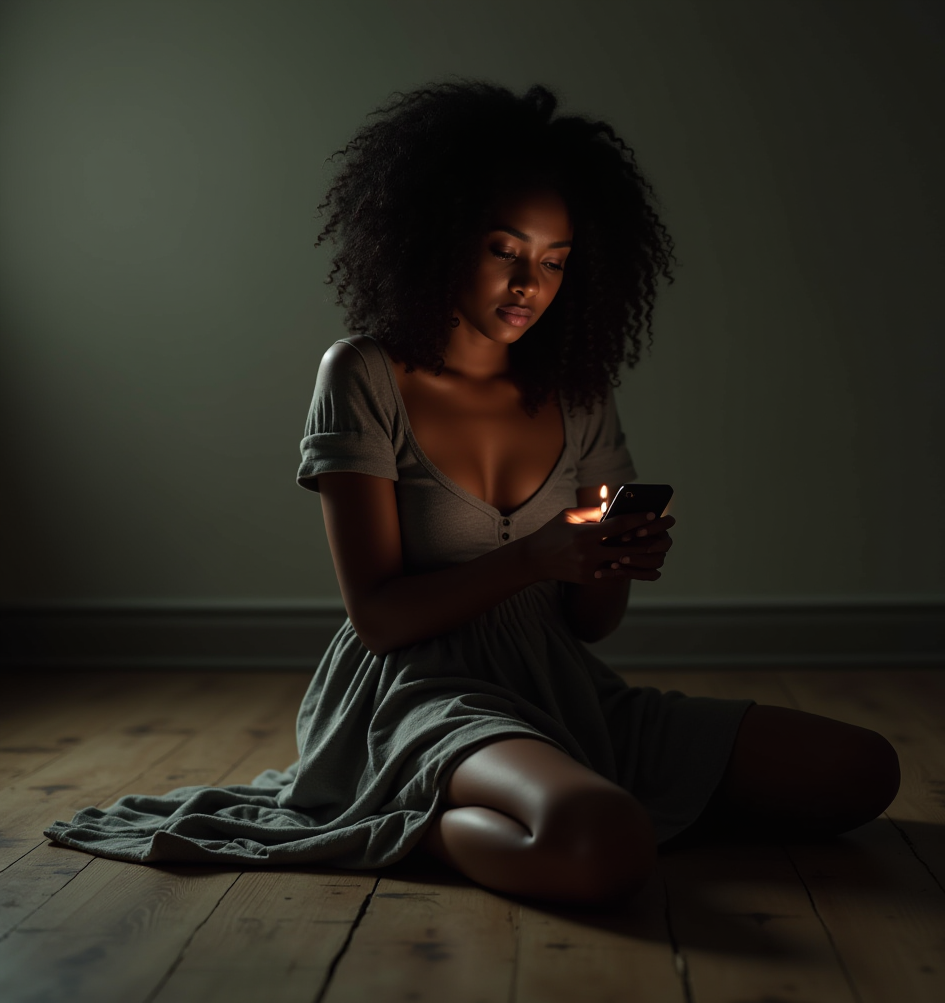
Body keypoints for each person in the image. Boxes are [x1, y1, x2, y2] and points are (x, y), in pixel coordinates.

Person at [44, 81, 900, 906]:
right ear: (439, 234)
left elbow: (588, 625)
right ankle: (415, 824)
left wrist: (610, 561)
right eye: (504, 251)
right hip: (420, 693)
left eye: (556, 262)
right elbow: (378, 615)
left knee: (861, 772)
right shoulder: (364, 373)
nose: (530, 284)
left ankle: (537, 797)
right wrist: (535, 555)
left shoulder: (578, 390)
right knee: (603, 843)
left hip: (562, 688)